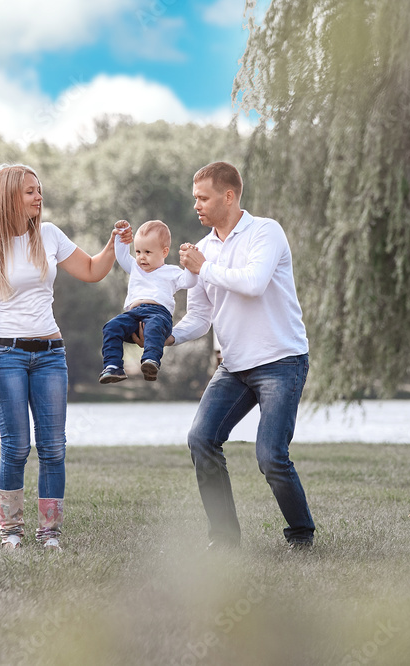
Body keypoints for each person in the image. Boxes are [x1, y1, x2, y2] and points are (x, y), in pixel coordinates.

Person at [0, 163, 131, 550]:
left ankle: (50, 535)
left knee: (54, 447)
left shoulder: (49, 235)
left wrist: (113, 244)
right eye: (30, 191)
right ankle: (11, 533)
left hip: (50, 355)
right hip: (7, 355)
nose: (39, 197)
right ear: (9, 195)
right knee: (16, 447)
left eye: (39, 190)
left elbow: (92, 270)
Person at [168, 161, 314, 550]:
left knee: (271, 456)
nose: (196, 205)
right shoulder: (203, 249)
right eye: (195, 198)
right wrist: (169, 336)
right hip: (234, 367)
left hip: (281, 361)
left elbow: (252, 283)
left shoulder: (265, 232)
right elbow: (200, 317)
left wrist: (205, 267)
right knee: (201, 439)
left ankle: (301, 534)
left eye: (203, 197)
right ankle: (224, 539)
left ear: (228, 196)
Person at [99, 219, 197, 383]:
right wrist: (121, 234)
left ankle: (150, 361)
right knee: (111, 327)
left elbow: (190, 281)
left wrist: (190, 264)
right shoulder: (136, 268)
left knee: (154, 327)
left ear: (164, 252)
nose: (141, 257)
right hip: (133, 315)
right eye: (138, 252)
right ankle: (113, 366)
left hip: (158, 315)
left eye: (148, 252)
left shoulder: (171, 272)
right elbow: (122, 255)